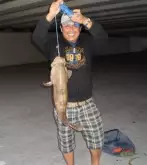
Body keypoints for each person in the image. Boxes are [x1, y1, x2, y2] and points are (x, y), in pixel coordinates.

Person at [32, 0, 108, 164]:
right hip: (64, 106)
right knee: (66, 142)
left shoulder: (88, 43)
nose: (71, 29)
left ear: (80, 28)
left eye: (75, 25)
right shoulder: (53, 45)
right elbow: (37, 36)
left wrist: (86, 20)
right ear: (61, 28)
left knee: (97, 137)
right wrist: (51, 14)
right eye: (67, 26)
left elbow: (102, 37)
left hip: (87, 103)